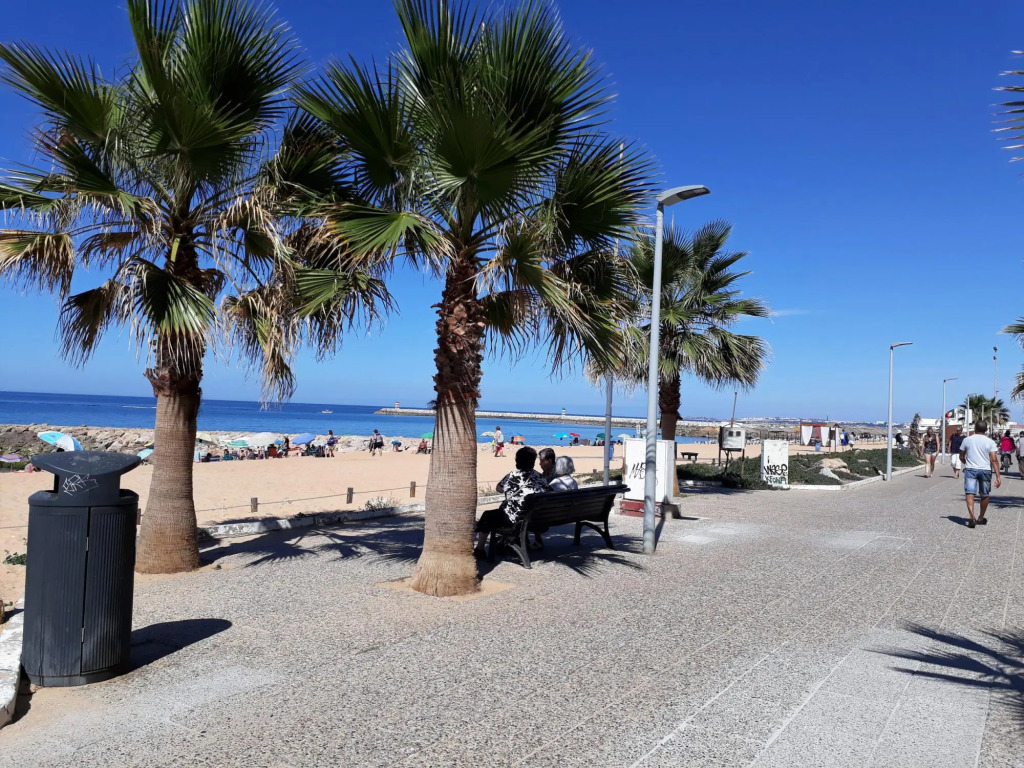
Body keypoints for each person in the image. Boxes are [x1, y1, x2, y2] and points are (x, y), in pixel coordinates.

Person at [475, 447, 549, 556]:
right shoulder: (541, 477)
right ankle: (510, 541)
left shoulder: (513, 475)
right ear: (533, 461)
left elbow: (499, 489)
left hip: (515, 520)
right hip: (537, 520)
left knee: (488, 515)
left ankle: (480, 549)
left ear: (517, 460)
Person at [959, 420, 1001, 528]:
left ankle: (971, 518)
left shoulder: (967, 440)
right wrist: (998, 476)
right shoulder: (990, 442)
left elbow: (961, 456)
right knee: (984, 494)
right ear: (986, 430)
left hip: (970, 469)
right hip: (985, 470)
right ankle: (981, 518)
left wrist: (966, 463)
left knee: (970, 493)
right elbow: (994, 460)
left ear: (975, 428)